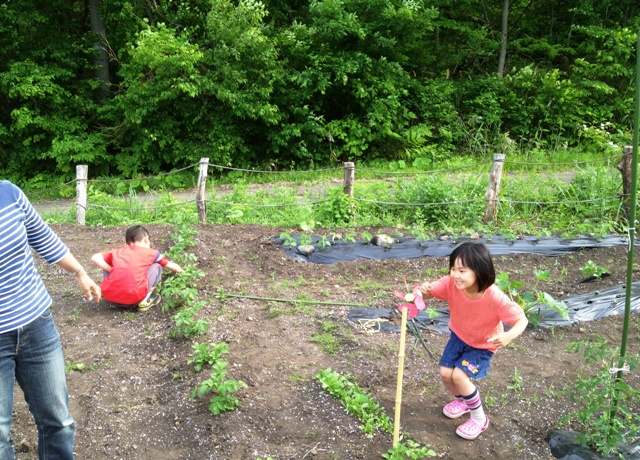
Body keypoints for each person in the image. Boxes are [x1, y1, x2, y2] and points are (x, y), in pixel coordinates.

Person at [0, 180, 102, 459]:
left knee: (59, 422)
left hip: (37, 324)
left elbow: (42, 237)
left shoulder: (8, 193)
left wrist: (80, 272)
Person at [419, 241, 528, 440]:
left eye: (462, 270)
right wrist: (424, 292)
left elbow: (522, 319)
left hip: (483, 344)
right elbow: (429, 293)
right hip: (459, 336)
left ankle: (479, 419)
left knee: (459, 376)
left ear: (480, 271)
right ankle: (462, 402)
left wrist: (508, 335)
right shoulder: (452, 284)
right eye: (453, 268)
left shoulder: (494, 298)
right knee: (445, 374)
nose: (455, 275)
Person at [91, 225, 183, 311]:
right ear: (146, 240)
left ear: (126, 243)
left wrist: (112, 270)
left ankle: (112, 290)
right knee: (157, 266)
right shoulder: (152, 253)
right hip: (134, 299)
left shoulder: (117, 252)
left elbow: (95, 258)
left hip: (110, 299)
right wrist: (182, 271)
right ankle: (147, 297)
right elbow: (171, 266)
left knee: (109, 262)